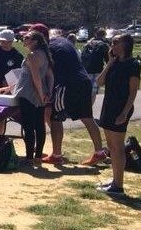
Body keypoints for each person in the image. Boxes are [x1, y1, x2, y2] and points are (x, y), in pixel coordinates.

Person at [44, 26, 107, 166]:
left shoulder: (50, 46)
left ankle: (56, 155)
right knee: (87, 118)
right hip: (84, 81)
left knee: (55, 116)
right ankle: (99, 152)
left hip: (68, 84)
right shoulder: (67, 43)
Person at [95, 33, 141, 196]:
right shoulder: (114, 63)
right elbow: (99, 82)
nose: (112, 45)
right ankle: (115, 181)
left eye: (115, 42)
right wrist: (109, 63)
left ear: (125, 45)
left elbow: (133, 92)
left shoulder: (133, 64)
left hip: (121, 109)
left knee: (118, 147)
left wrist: (124, 112)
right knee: (112, 147)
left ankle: (118, 186)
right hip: (108, 107)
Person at [0, 30, 52, 164]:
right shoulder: (45, 54)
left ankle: (29, 158)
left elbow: (36, 78)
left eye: (27, 37)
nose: (23, 39)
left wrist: (40, 95)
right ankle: (38, 157)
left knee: (29, 126)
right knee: (39, 125)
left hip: (29, 94)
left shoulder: (32, 56)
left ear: (35, 42)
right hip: (39, 93)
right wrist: (48, 93)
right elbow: (50, 76)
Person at [81, 28, 110, 97]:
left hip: (86, 69)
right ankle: (90, 107)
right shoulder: (103, 45)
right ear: (104, 35)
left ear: (96, 34)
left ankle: (85, 105)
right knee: (93, 91)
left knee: (87, 90)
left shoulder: (88, 43)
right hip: (97, 70)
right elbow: (108, 60)